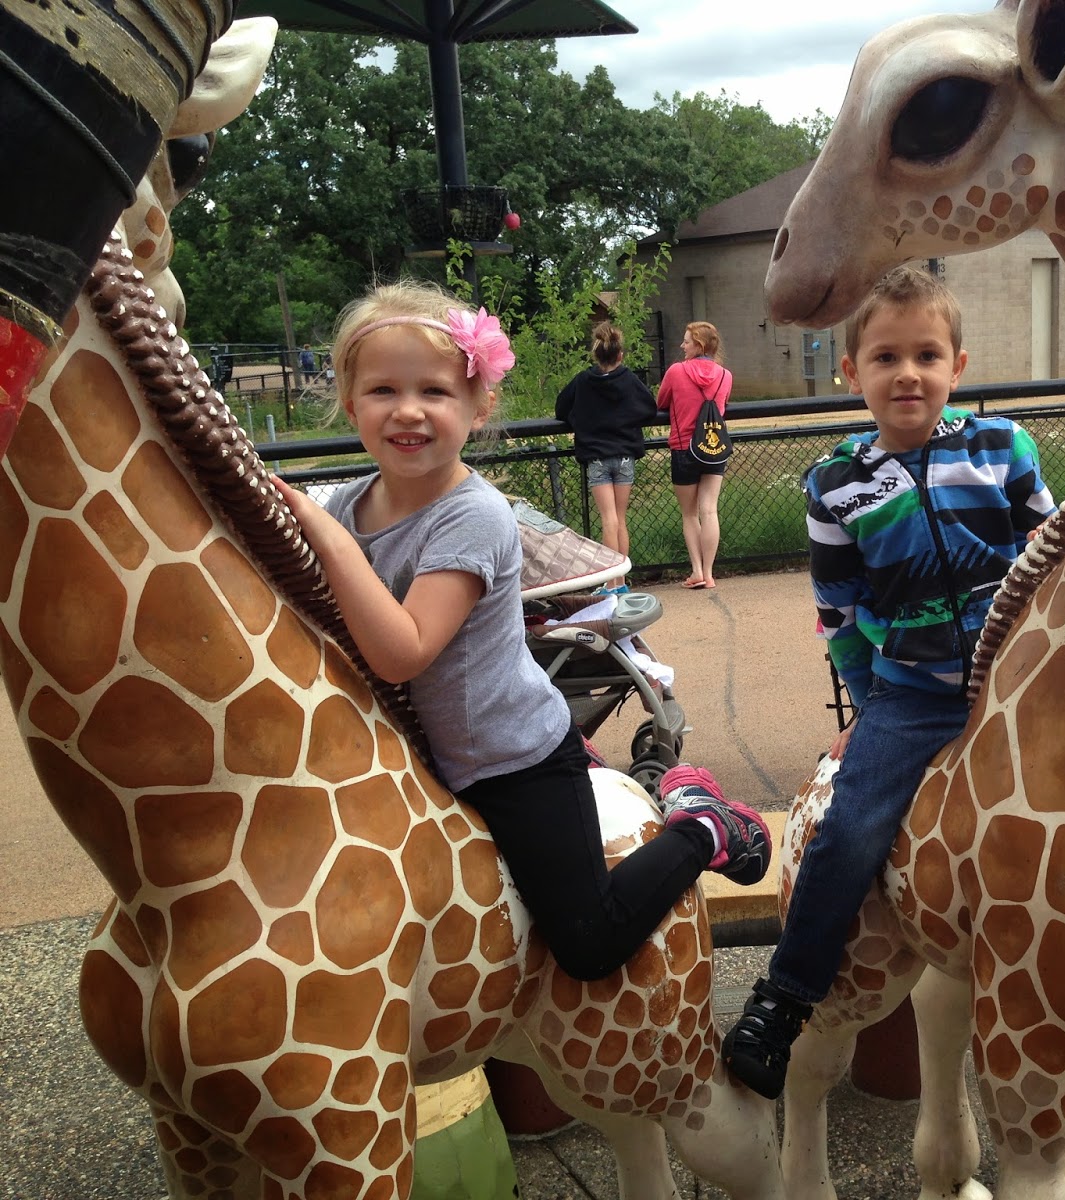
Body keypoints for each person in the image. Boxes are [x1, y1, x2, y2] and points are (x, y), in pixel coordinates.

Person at [271, 280, 770, 982]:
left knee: (588, 943)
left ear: (478, 406)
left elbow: (403, 651)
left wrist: (324, 538)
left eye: (435, 391)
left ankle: (703, 826)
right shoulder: (350, 504)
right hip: (417, 756)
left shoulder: (470, 515)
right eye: (383, 390)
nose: (408, 410)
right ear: (351, 404)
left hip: (511, 760)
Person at [721, 265, 1058, 1098]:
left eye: (926, 355)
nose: (908, 373)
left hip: (1015, 682)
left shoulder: (1002, 449)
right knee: (849, 831)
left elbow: (1056, 554)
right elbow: (839, 613)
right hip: (912, 693)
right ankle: (785, 996)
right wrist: (867, 709)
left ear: (957, 366)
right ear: (852, 372)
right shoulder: (835, 485)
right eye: (885, 357)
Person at [555, 321, 658, 564]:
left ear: (596, 354)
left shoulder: (583, 381)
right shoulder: (629, 380)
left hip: (597, 457)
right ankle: (622, 577)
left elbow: (561, 408)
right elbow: (649, 408)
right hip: (625, 456)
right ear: (620, 355)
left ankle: (611, 579)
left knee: (608, 520)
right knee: (620, 519)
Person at [656, 321, 731, 589]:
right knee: (709, 510)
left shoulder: (676, 371)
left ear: (698, 345)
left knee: (690, 514)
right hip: (714, 448)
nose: (682, 345)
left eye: (686, 341)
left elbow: (661, 402)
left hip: (683, 448)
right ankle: (709, 574)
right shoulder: (725, 375)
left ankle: (696, 570)